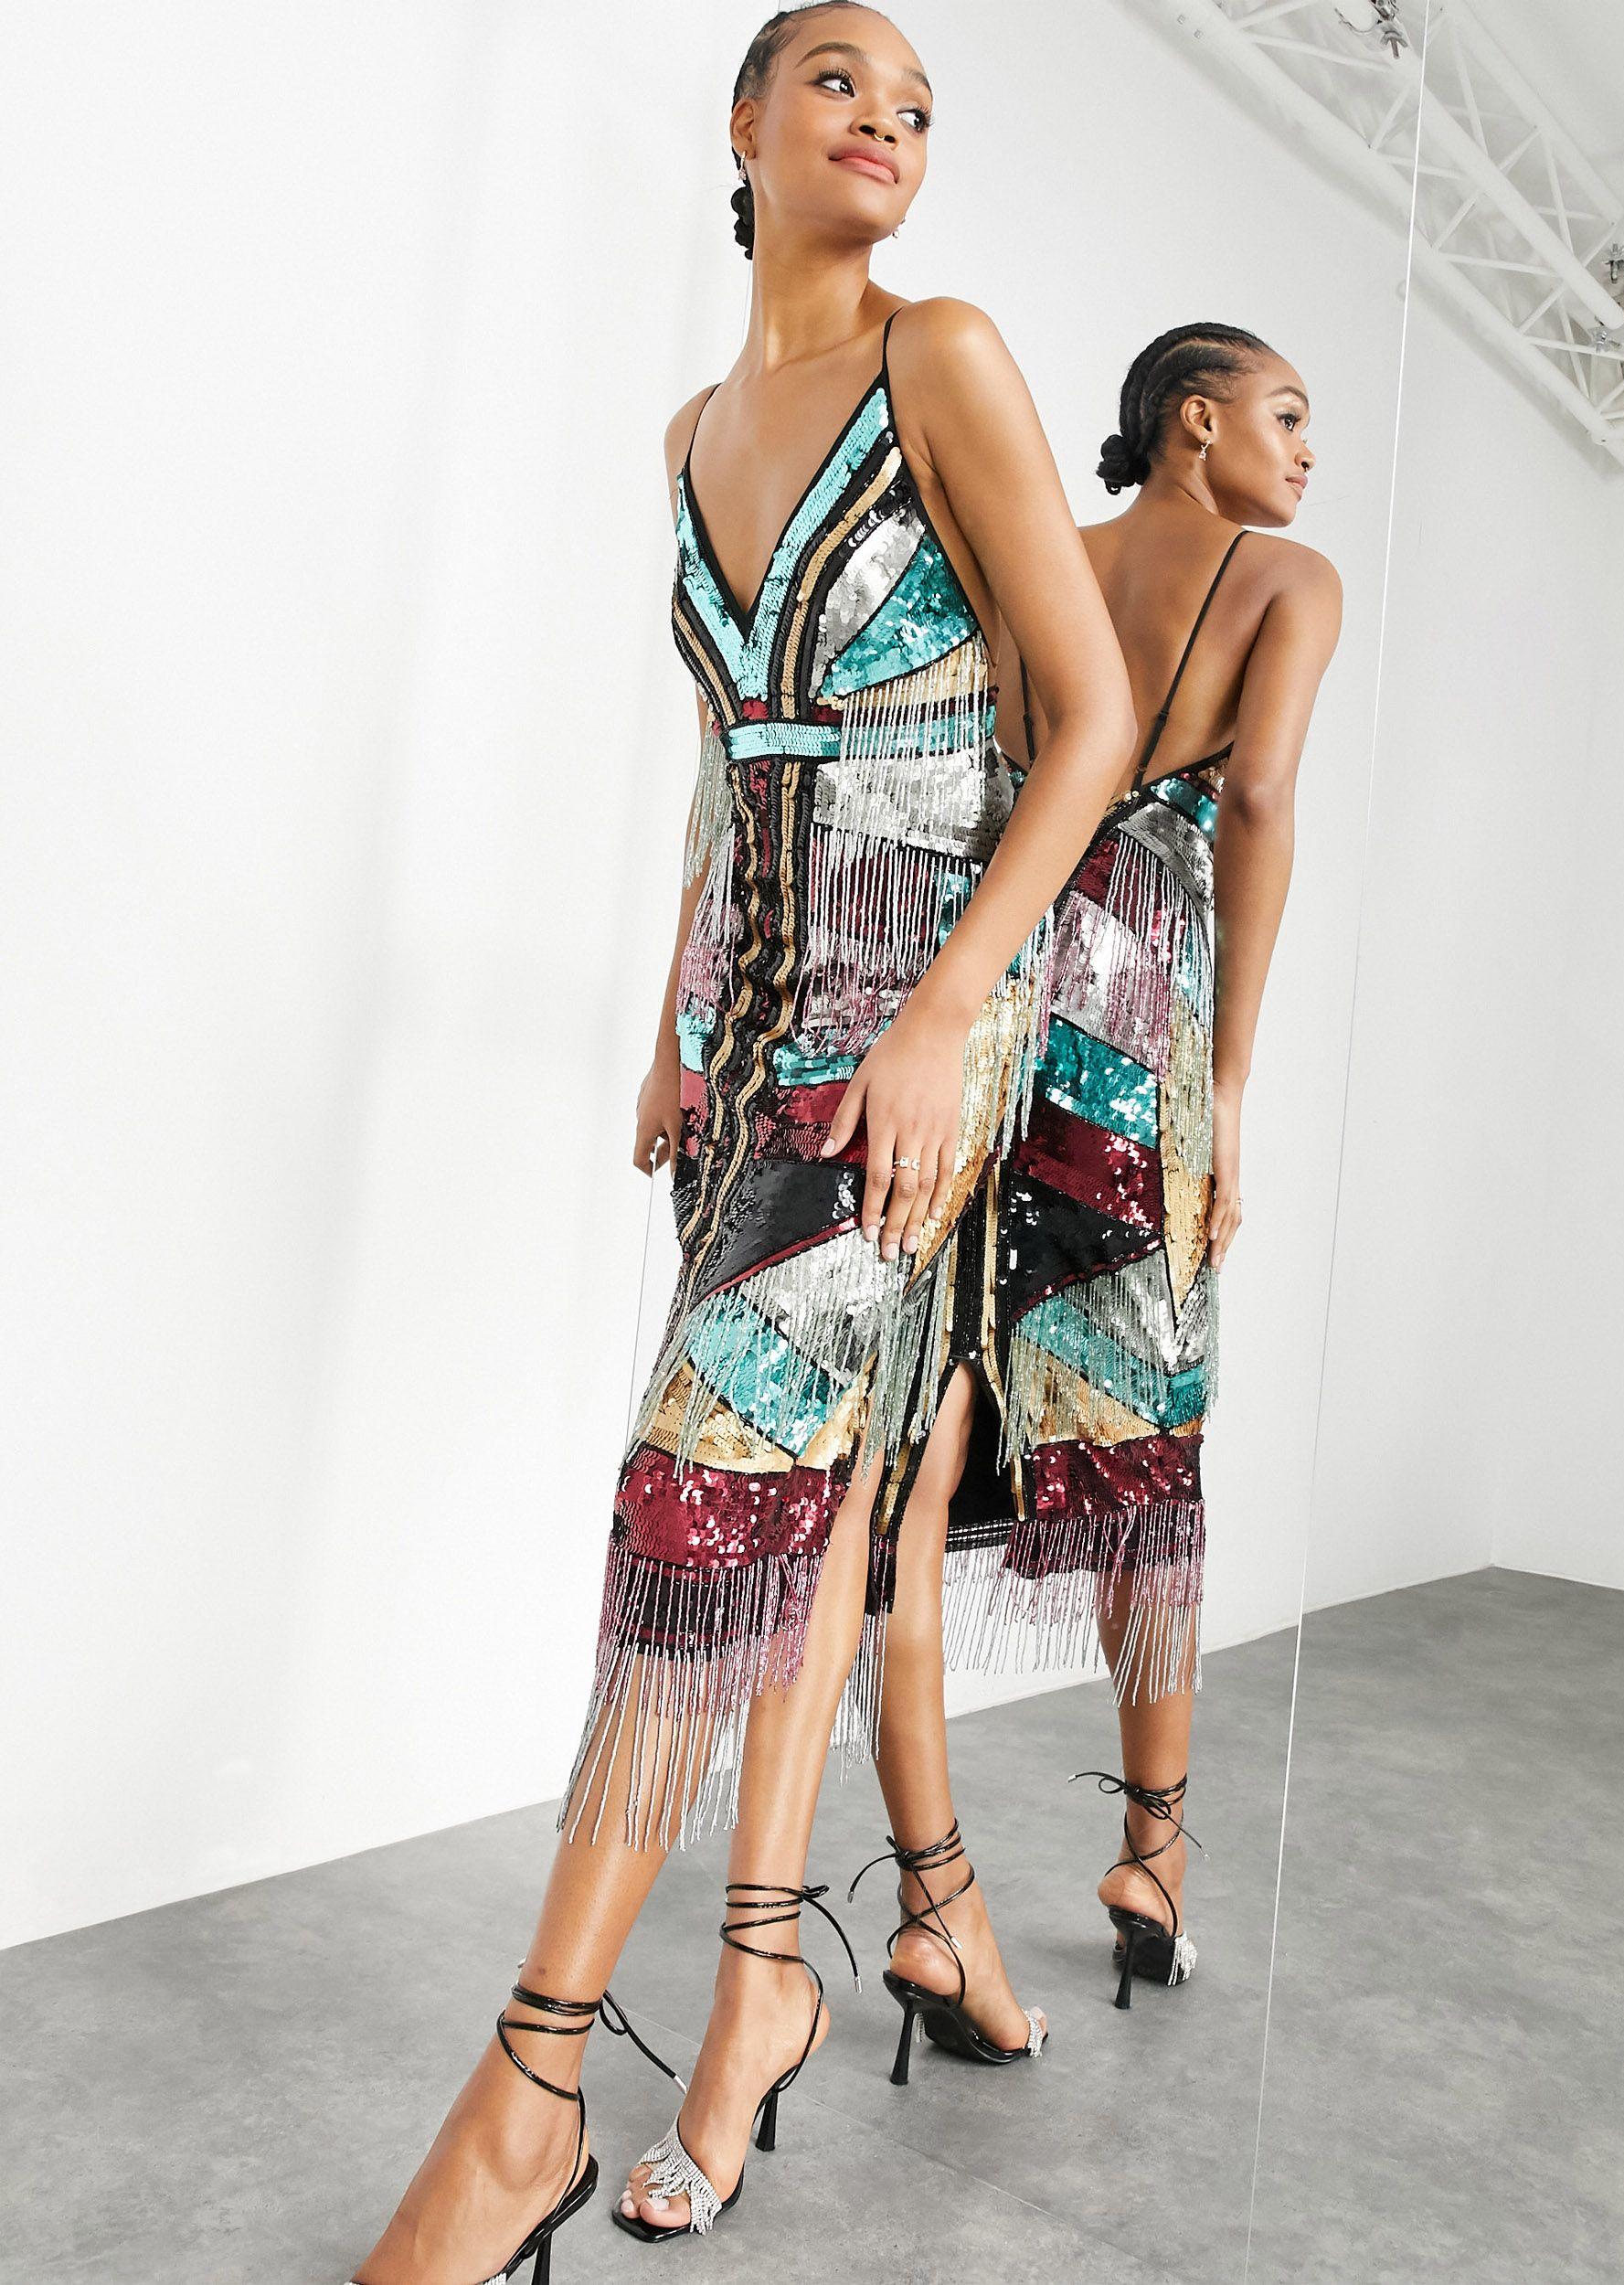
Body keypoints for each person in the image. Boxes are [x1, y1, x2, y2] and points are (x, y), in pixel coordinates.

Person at [348, 6, 1133, 2274]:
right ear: (743, 122)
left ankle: (526, 2086)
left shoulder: (939, 355)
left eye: (916, 103)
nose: (886, 119)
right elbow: (730, 757)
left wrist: (951, 1015)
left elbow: (1084, 716)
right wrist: (669, 1017)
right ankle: (764, 1984)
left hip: (912, 1042)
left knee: (689, 1501)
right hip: (751, 1046)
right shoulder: (689, 429)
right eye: (839, 83)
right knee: (787, 1523)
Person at [968, 322, 1343, 2008]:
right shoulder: (1289, 582)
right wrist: (1232, 1088)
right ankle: (1153, 1843)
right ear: (1196, 420)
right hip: (1135, 1027)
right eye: (1286, 414)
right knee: (1151, 1436)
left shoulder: (1046, 556)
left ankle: (921, 1882)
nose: (1306, 452)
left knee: (946, 1400)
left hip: (998, 990)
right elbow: (1253, 803)